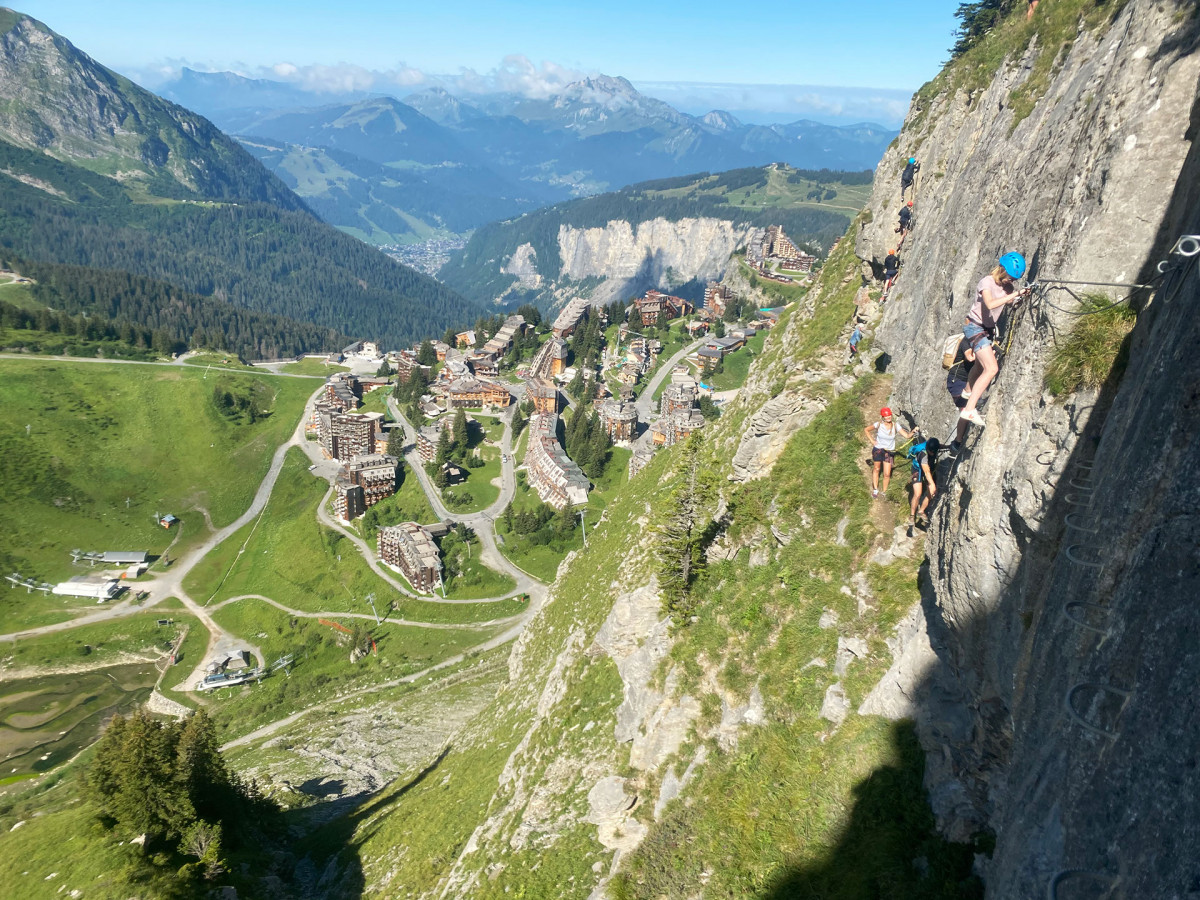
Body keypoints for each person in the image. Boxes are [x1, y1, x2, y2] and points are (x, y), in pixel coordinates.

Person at [959, 252, 1031, 428]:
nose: (1011, 281)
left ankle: (967, 391)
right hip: (975, 327)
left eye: (1014, 279)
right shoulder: (987, 282)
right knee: (991, 368)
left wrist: (1022, 296)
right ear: (1002, 269)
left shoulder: (1008, 288)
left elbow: (1012, 303)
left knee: (979, 366)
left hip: (987, 330)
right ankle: (969, 409)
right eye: (1010, 277)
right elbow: (990, 304)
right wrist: (1015, 293)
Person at [864, 406, 910, 498]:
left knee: (887, 473)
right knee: (876, 469)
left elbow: (907, 436)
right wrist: (872, 441)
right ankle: (875, 490)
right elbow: (866, 430)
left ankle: (884, 491)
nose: (888, 417)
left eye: (889, 415)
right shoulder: (878, 425)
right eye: (886, 416)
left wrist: (913, 432)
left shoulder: (896, 426)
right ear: (883, 417)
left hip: (889, 452)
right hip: (878, 450)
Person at [944, 336, 978, 455]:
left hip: (965, 380)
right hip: (957, 380)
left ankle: (958, 441)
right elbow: (970, 357)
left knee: (967, 409)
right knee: (964, 410)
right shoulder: (966, 340)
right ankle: (958, 441)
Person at [906, 430, 937, 530]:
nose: (931, 453)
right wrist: (932, 484)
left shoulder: (933, 447)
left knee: (930, 493)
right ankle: (912, 516)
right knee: (918, 493)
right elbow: (926, 471)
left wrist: (949, 447)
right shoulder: (923, 455)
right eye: (930, 451)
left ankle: (921, 511)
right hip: (917, 470)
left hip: (927, 469)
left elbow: (939, 446)